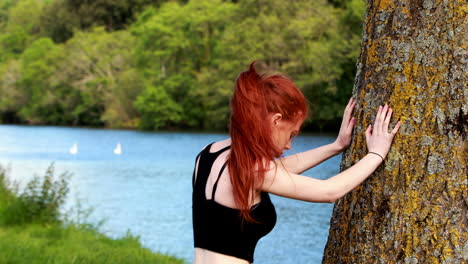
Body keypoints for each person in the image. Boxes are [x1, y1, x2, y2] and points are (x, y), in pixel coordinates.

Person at [192, 62, 401, 264]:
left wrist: (335, 146)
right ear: (275, 121)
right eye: (291, 134)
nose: (290, 145)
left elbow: (274, 171)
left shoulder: (208, 154)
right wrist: (376, 154)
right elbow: (329, 191)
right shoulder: (254, 171)